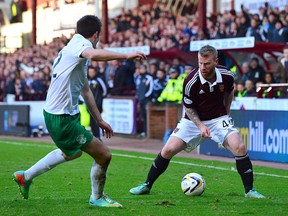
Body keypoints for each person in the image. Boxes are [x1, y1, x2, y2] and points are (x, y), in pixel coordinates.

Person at [12, 15, 146, 207]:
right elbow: (93, 54)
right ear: (96, 34)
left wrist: (99, 120)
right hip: (61, 117)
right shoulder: (79, 46)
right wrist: (125, 56)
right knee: (104, 155)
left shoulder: (73, 51)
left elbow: (86, 91)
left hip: (62, 115)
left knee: (72, 153)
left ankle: (26, 176)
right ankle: (97, 198)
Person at [129, 45, 265, 199]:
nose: (203, 67)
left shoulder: (227, 75)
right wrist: (200, 126)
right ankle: (146, 185)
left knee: (239, 147)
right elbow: (188, 108)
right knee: (167, 150)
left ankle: (250, 191)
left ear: (216, 61)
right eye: (200, 63)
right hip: (191, 121)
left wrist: (226, 114)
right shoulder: (190, 81)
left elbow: (229, 92)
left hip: (218, 118)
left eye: (206, 64)